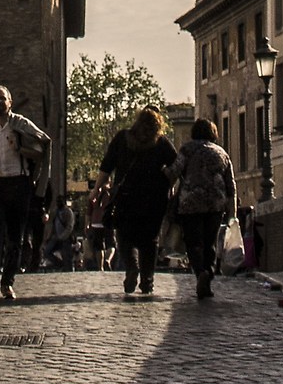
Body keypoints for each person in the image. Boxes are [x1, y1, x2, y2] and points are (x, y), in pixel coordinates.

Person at [0, 84, 51, 303]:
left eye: (3, 98)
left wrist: (20, 148)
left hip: (19, 184)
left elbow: (42, 148)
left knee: (15, 238)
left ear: (10, 102)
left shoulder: (21, 124)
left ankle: (7, 282)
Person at [99, 107, 177, 299]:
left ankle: (132, 268)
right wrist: (169, 182)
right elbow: (177, 164)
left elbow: (107, 165)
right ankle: (147, 281)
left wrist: (96, 190)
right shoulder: (161, 143)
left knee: (125, 236)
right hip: (155, 198)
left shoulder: (122, 138)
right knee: (150, 240)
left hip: (126, 196)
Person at [169, 118, 238, 300]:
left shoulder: (187, 149)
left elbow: (174, 172)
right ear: (213, 134)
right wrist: (233, 213)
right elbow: (231, 185)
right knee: (210, 243)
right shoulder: (221, 153)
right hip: (215, 203)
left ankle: (200, 273)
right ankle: (208, 271)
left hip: (190, 202)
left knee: (193, 242)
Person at [40, 193, 81, 270]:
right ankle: (59, 264)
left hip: (66, 239)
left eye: (60, 201)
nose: (59, 203)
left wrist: (63, 236)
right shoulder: (56, 212)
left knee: (67, 258)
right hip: (55, 237)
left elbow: (70, 226)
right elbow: (52, 224)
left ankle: (67, 270)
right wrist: (50, 236)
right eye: (57, 201)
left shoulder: (68, 212)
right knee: (47, 252)